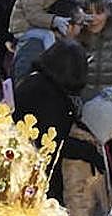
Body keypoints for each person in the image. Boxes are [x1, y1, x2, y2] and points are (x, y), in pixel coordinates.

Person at [12, 39, 88, 202]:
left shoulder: (35, 81)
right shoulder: (49, 97)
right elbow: (51, 143)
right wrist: (86, 150)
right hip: (37, 176)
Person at [62, 89, 112, 216]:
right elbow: (73, 192)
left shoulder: (97, 146)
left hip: (99, 212)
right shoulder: (78, 158)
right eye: (111, 129)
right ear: (99, 126)